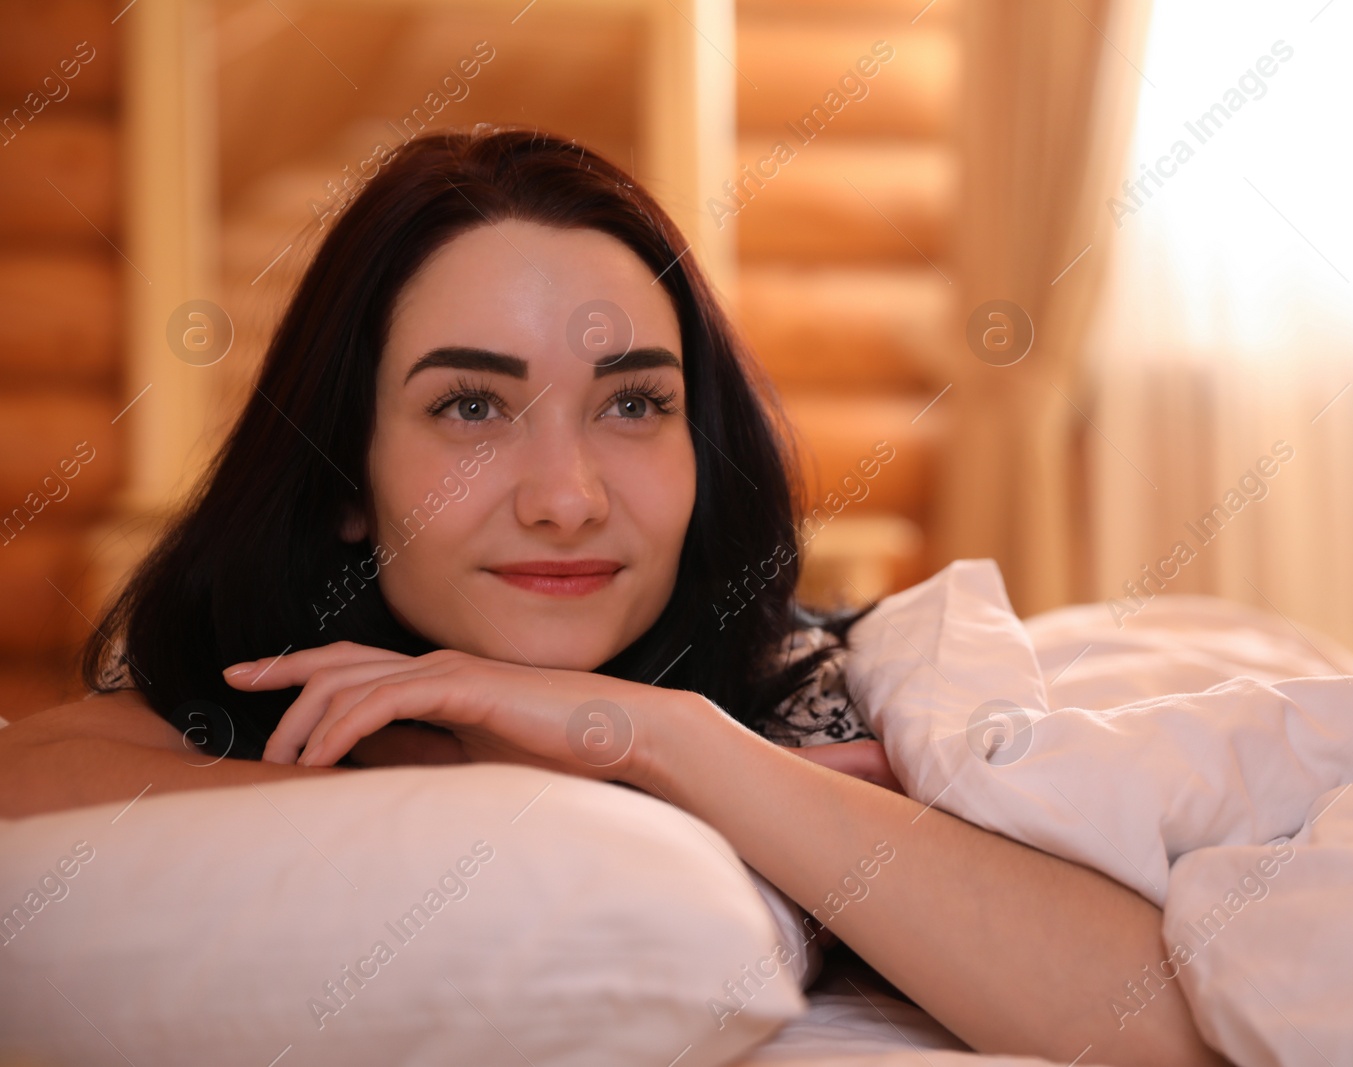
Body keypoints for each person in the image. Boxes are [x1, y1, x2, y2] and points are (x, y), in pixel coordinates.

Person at [0, 128, 1224, 1066]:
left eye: (634, 402)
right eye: (471, 407)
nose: (568, 496)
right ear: (344, 478)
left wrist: (663, 738)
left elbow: (1165, 1022)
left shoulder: (838, 698)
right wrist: (470, 751)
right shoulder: (257, 703)